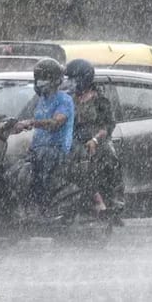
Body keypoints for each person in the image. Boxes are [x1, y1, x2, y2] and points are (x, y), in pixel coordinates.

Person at [14, 58, 75, 211]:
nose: (40, 82)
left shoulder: (64, 100)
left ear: (54, 80)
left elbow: (56, 122)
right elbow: (23, 117)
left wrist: (33, 123)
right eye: (38, 78)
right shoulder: (40, 100)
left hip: (56, 149)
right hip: (37, 148)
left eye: (44, 78)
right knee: (14, 171)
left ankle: (41, 206)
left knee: (38, 176)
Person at [63, 59, 122, 213]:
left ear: (84, 79)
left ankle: (111, 199)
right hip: (73, 141)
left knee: (110, 160)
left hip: (97, 142)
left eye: (73, 79)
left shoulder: (100, 100)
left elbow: (108, 125)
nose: (70, 83)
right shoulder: (68, 99)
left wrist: (95, 139)